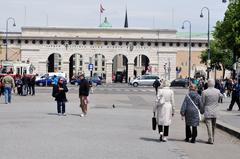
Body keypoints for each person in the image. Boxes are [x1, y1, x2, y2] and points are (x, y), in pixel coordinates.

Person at [202, 79, 223, 144]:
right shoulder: (218, 91)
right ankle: (212, 138)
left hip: (208, 110)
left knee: (209, 125)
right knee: (213, 125)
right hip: (215, 110)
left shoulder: (204, 92)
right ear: (213, 84)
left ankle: (210, 138)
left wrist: (202, 110)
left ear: (208, 84)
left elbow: (203, 102)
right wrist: (218, 100)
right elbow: (221, 96)